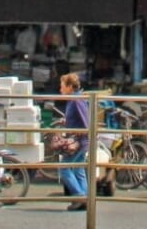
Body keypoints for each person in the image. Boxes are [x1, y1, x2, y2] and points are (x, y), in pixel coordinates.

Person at [55, 73, 90, 206]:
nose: (60, 89)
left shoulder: (76, 100)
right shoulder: (74, 99)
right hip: (81, 140)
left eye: (62, 86)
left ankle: (79, 196)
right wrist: (67, 120)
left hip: (78, 141)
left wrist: (83, 133)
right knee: (78, 169)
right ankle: (85, 199)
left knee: (64, 168)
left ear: (70, 87)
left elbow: (85, 120)